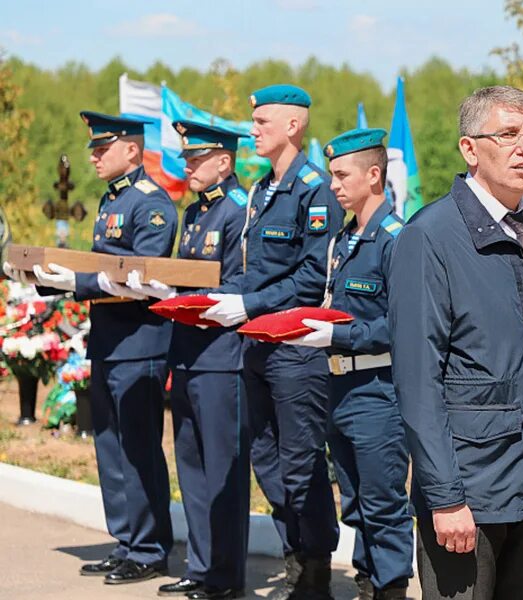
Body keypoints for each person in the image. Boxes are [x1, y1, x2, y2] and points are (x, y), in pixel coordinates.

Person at [388, 86, 523, 599]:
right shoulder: (430, 236)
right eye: (507, 134)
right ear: (470, 148)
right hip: (469, 497)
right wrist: (444, 497)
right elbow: (418, 381)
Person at [4, 111, 178, 584]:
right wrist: (42, 277)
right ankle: (126, 542)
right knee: (110, 448)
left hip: (139, 344)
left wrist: (74, 282)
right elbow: (98, 270)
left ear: (132, 150)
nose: (95, 157)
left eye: (104, 149)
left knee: (138, 448)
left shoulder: (151, 204)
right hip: (108, 342)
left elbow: (141, 274)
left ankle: (149, 548)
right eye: (94, 150)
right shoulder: (112, 201)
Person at [200, 84, 343, 600]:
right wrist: (212, 301)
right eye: (253, 120)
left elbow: (311, 277)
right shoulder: (261, 190)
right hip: (255, 345)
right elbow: (252, 271)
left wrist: (250, 304)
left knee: (302, 462)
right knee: (267, 461)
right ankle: (293, 563)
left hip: (295, 349)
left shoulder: (314, 189)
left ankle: (315, 573)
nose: (253, 130)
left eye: (262, 122)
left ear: (293, 126)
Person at [286, 128, 412, 600]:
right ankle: (367, 581)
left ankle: (391, 588)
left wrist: (338, 335)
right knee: (357, 502)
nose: (333, 184)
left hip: (378, 388)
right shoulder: (345, 238)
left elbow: (403, 326)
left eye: (342, 175)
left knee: (383, 502)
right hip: (338, 386)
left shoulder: (395, 239)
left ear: (374, 175)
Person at [127, 121, 252, 600]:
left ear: (224, 162)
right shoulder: (198, 212)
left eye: (196, 159)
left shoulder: (238, 212)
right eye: (187, 159)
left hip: (222, 357)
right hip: (188, 353)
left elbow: (242, 282)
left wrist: (188, 294)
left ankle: (225, 576)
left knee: (223, 472)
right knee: (193, 469)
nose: (188, 167)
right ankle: (201, 567)